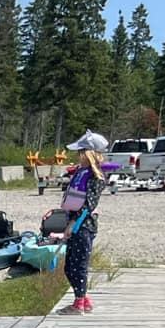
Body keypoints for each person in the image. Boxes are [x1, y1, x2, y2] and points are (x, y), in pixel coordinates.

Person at [62, 131, 107, 312]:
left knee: (79, 265)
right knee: (69, 266)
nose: (78, 156)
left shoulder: (96, 178)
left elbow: (89, 204)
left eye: (80, 153)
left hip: (84, 226)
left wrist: (73, 223)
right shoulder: (81, 173)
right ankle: (83, 299)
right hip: (74, 223)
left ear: (88, 154)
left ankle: (79, 302)